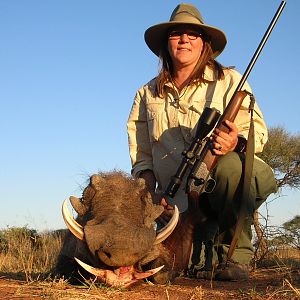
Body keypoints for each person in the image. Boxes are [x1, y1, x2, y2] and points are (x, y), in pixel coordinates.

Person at [127, 3, 277, 281]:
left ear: (204, 43)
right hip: (171, 200)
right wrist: (153, 196)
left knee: (232, 168)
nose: (184, 39)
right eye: (176, 33)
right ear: (165, 44)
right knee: (169, 264)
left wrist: (235, 141)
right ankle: (203, 252)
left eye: (192, 34)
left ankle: (237, 257)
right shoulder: (145, 93)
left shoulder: (231, 80)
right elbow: (142, 154)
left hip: (220, 185)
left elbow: (259, 132)